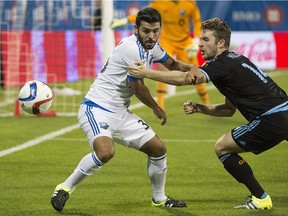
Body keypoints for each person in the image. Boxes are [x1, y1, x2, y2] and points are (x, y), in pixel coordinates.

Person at [128, 17, 288, 210]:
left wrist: (147, 73)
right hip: (284, 111)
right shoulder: (235, 61)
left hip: (271, 119)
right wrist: (199, 107)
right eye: (200, 39)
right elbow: (229, 110)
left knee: (222, 147)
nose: (199, 43)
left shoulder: (220, 64)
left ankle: (260, 198)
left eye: (205, 39)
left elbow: (189, 78)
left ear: (221, 43)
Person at [50, 7, 192, 212]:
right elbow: (138, 88)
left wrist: (196, 69)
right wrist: (156, 108)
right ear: (136, 29)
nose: (151, 36)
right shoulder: (130, 48)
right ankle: (64, 188)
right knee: (105, 152)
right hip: (96, 107)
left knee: (158, 149)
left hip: (120, 112)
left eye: (155, 30)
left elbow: (172, 64)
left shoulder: (153, 46)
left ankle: (159, 198)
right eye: (146, 31)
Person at [111, 0, 210, 109]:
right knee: (163, 69)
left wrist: (196, 40)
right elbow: (143, 15)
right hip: (167, 41)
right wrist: (125, 20)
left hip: (185, 43)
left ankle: (207, 102)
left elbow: (197, 21)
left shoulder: (189, 4)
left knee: (195, 71)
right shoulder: (159, 3)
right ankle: (161, 103)